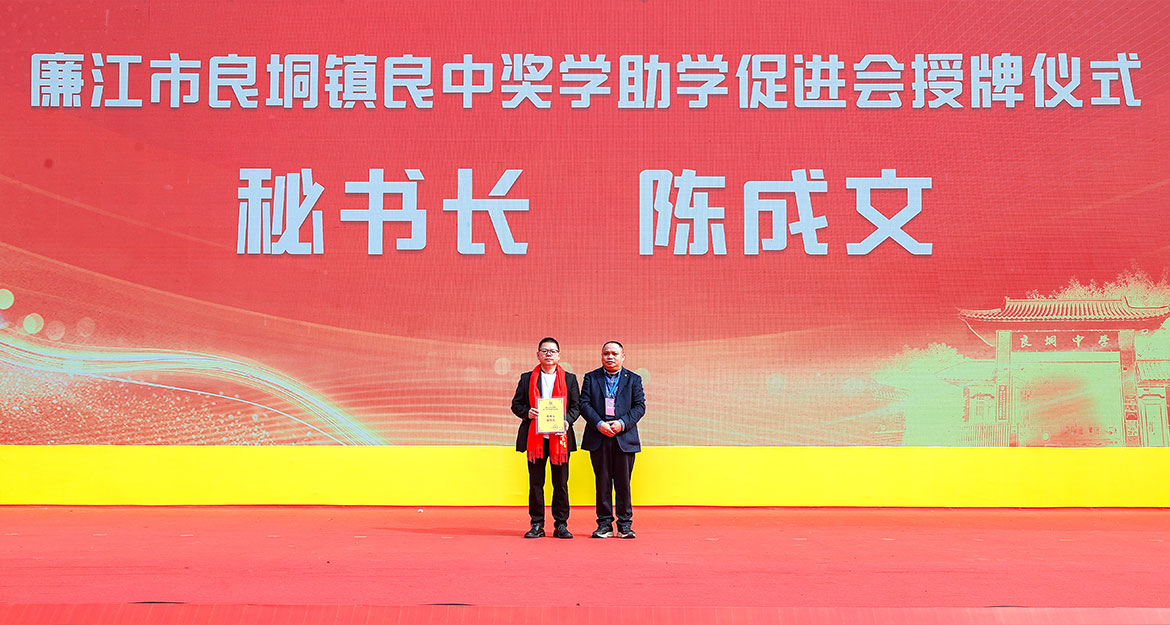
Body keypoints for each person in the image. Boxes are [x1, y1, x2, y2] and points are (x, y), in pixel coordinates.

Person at [510, 337, 580, 539]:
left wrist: (567, 421)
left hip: (560, 440)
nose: (549, 354)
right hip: (535, 440)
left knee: (561, 484)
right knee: (536, 484)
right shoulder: (526, 379)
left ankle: (561, 525)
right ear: (538, 354)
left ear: (559, 355)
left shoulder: (570, 379)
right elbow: (516, 405)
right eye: (545, 351)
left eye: (552, 351)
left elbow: (576, 407)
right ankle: (537, 524)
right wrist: (527, 413)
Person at [579, 340, 645, 539]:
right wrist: (599, 424)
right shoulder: (591, 377)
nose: (610, 357)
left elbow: (639, 407)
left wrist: (622, 424)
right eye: (606, 353)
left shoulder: (633, 379)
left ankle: (625, 525)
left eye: (614, 354)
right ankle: (604, 525)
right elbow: (584, 404)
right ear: (601, 356)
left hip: (624, 437)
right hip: (599, 435)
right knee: (603, 483)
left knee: (624, 484)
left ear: (623, 357)